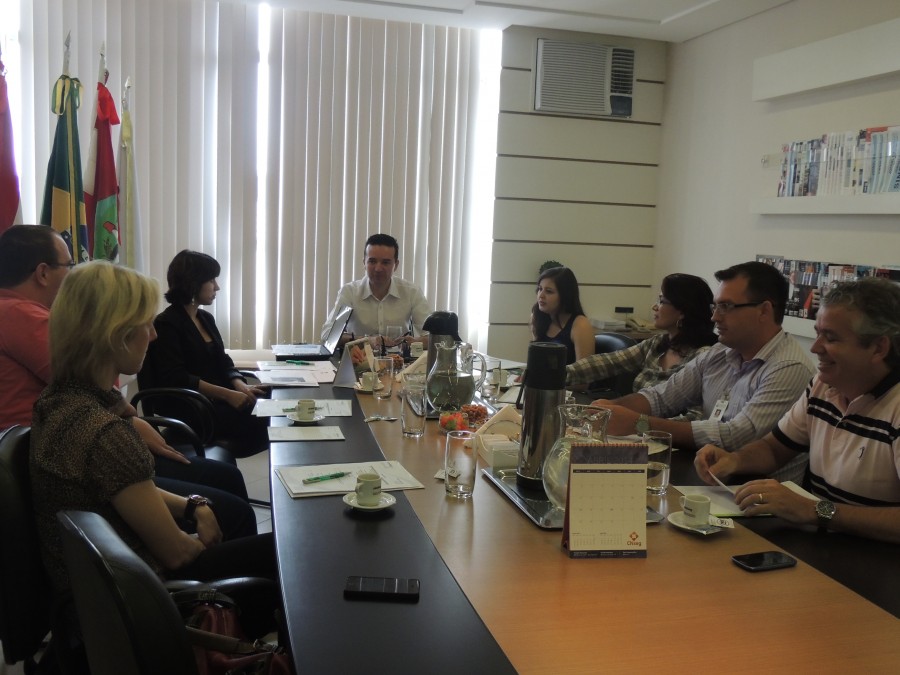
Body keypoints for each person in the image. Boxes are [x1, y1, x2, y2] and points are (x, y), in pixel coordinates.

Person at [30, 260, 277, 595]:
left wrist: (194, 505)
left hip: (102, 585)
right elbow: (178, 554)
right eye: (146, 324)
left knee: (238, 519)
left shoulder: (55, 400)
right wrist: (208, 543)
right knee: (285, 553)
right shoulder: (104, 433)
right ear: (115, 334)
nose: (153, 334)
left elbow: (118, 489)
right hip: (142, 598)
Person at [0, 226, 254, 522]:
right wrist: (131, 420)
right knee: (228, 498)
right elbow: (82, 378)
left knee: (222, 481)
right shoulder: (20, 315)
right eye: (69, 265)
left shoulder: (17, 312)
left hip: (65, 445)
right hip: (63, 454)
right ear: (43, 273)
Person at [695, 277, 900, 544]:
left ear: (878, 348)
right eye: (817, 333)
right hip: (823, 547)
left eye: (831, 338)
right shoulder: (823, 387)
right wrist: (735, 460)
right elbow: (774, 449)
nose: (815, 348)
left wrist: (816, 511)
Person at [595, 261, 814, 482]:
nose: (715, 317)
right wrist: (604, 411)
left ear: (764, 311)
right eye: (714, 307)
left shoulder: (789, 367)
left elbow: (735, 436)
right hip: (710, 481)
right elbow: (661, 397)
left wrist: (640, 424)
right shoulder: (719, 352)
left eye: (726, 306)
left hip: (758, 494)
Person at [140, 250, 269, 456]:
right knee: (273, 417)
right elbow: (177, 377)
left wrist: (240, 385)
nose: (217, 287)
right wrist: (228, 395)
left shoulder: (205, 318)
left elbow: (223, 361)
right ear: (193, 283)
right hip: (193, 408)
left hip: (216, 401)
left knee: (271, 399)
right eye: (211, 280)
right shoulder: (167, 324)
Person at [567, 273, 718, 410]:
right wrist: (560, 374)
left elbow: (695, 418)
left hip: (661, 430)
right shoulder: (656, 344)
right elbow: (609, 362)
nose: (654, 307)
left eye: (661, 301)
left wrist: (635, 421)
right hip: (633, 426)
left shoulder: (703, 356)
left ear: (682, 311)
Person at [320, 233, 431, 350]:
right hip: (357, 358)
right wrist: (366, 340)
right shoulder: (350, 292)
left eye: (385, 262)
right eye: (372, 261)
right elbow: (327, 334)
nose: (378, 268)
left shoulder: (411, 292)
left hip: (399, 359)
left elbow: (435, 337)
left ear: (396, 265)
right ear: (364, 263)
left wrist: (415, 342)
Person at [530, 266, 594, 364]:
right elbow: (537, 361)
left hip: (570, 374)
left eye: (549, 291)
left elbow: (584, 371)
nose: (541, 295)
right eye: (540, 289)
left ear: (565, 295)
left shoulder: (580, 324)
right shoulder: (537, 316)